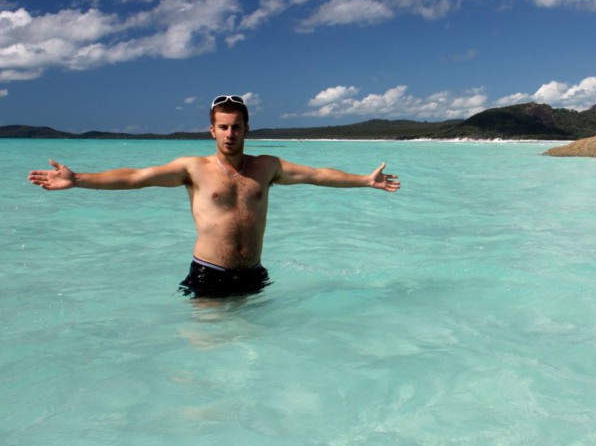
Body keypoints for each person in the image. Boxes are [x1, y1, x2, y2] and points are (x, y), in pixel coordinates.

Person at [27, 94, 400, 298]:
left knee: (255, 346)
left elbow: (318, 175)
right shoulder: (193, 168)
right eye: (223, 127)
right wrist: (79, 179)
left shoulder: (267, 166)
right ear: (211, 130)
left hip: (253, 274)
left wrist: (364, 181)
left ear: (247, 129)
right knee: (208, 353)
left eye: (236, 127)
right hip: (210, 274)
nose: (230, 134)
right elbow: (137, 177)